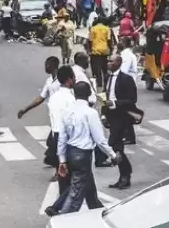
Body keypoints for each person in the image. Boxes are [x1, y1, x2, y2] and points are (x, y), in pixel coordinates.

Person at [50, 81, 119, 216]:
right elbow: (100, 140)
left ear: (74, 93)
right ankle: (64, 217)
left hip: (70, 152)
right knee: (76, 192)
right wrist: (113, 155)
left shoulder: (66, 112)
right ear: (88, 94)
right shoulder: (90, 113)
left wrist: (62, 160)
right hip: (83, 155)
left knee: (85, 184)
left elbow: (62, 138)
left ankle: (97, 209)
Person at [17, 56, 61, 167]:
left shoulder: (62, 80)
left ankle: (58, 168)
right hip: (54, 117)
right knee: (52, 142)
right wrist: (26, 109)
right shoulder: (49, 80)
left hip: (63, 116)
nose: (45, 67)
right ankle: (52, 159)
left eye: (47, 64)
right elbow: (41, 98)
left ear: (53, 66)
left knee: (54, 143)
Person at [104, 54, 136, 190]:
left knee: (115, 146)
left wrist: (115, 103)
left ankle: (126, 174)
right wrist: (104, 115)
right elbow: (105, 97)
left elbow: (132, 100)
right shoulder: (108, 77)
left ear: (118, 63)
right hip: (111, 116)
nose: (108, 63)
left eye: (111, 61)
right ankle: (124, 176)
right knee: (117, 147)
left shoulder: (126, 79)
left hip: (121, 117)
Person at [47, 66, 75, 187]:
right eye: (73, 77)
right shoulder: (71, 98)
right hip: (67, 137)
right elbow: (72, 122)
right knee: (71, 175)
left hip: (55, 135)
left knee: (62, 175)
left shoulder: (53, 97)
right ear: (69, 80)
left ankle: (62, 201)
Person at [88, 17, 112, 90]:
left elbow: (90, 40)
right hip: (104, 50)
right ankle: (106, 83)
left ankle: (99, 84)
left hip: (95, 51)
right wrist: (110, 49)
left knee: (97, 68)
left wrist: (89, 50)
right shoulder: (107, 29)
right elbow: (109, 40)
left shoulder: (93, 28)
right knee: (105, 68)